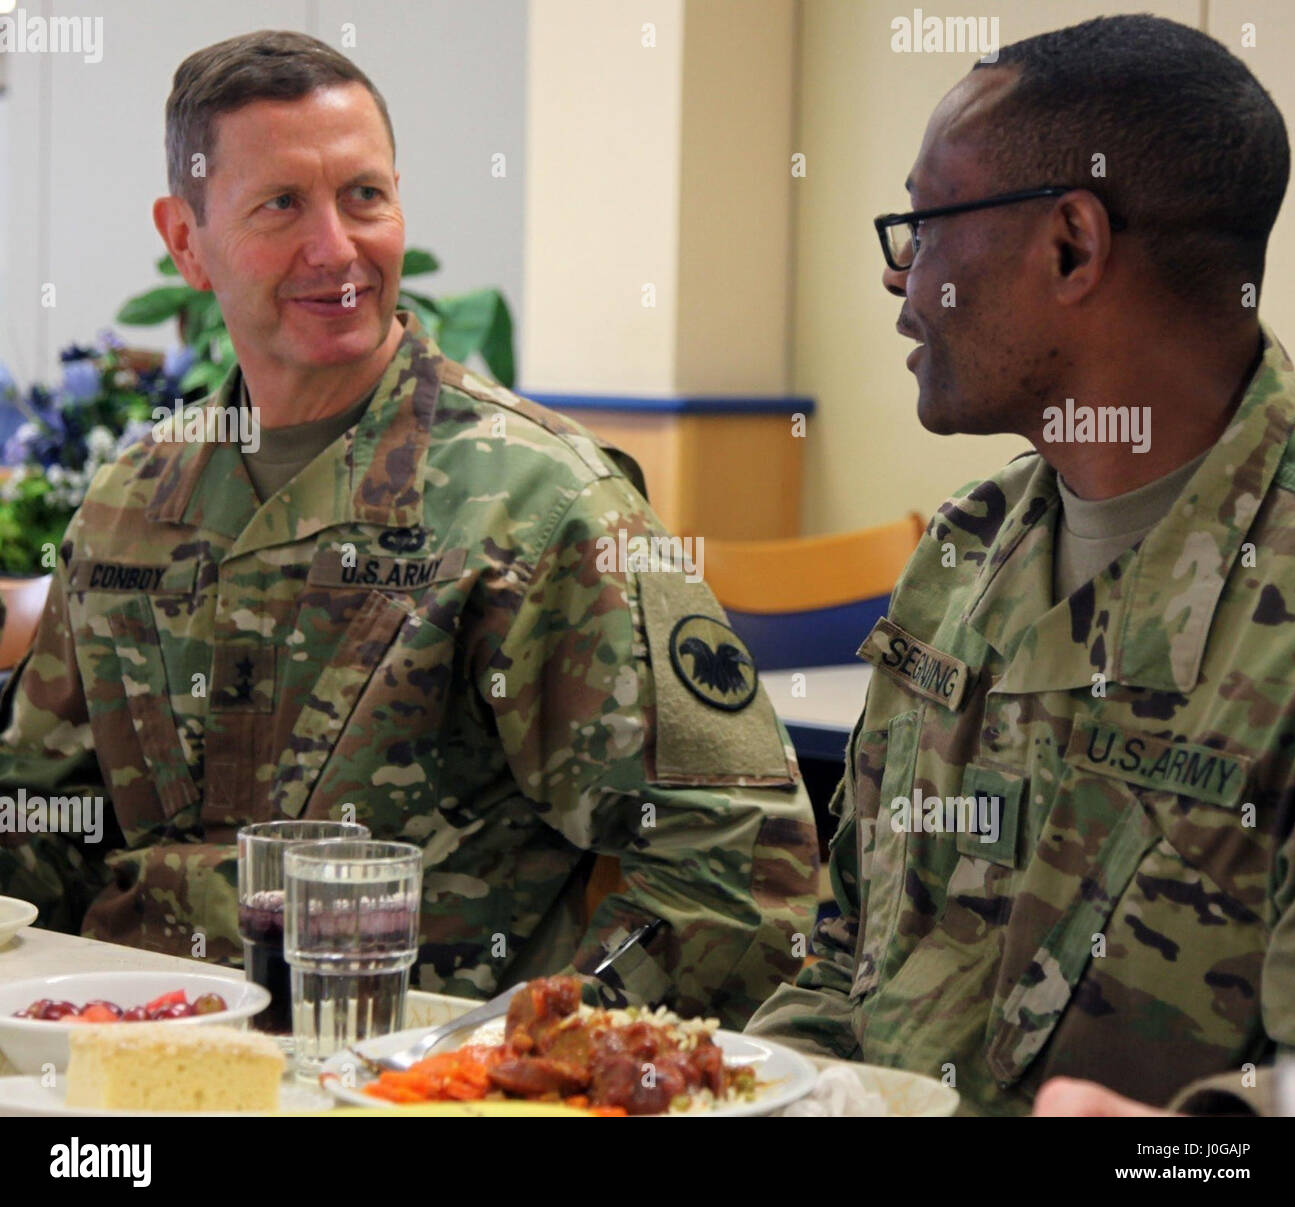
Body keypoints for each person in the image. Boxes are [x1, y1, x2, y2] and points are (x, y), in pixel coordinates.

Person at [0, 30, 817, 1030]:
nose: (336, 249)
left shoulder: (536, 502)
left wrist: (538, 1042)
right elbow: (42, 821)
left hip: (412, 1067)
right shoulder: (131, 502)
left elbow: (738, 863)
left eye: (364, 196)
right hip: (131, 1053)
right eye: (281, 205)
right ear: (186, 242)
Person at [747, 14, 1295, 1114]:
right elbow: (842, 962)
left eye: (926, 225)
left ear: (1070, 246)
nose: (901, 282)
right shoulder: (964, 551)